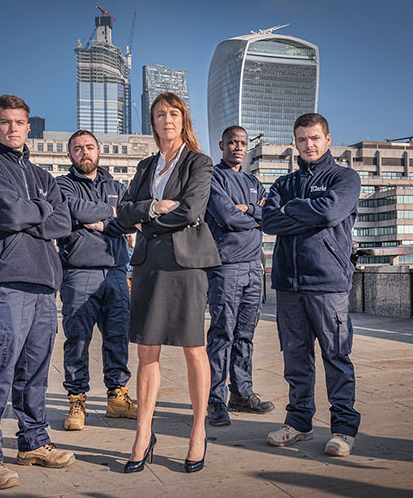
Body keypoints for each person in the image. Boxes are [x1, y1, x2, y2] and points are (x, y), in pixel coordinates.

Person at [0, 94, 74, 490]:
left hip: (46, 285)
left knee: (35, 372)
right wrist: (41, 210)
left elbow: (62, 221)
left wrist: (37, 210)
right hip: (8, 281)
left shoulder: (44, 176)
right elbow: (8, 215)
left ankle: (32, 442)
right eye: (5, 121)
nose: (13, 128)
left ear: (29, 127)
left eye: (19, 122)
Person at [117, 92, 221, 473]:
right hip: (148, 264)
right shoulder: (145, 167)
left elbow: (193, 209)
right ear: (153, 122)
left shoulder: (199, 162)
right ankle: (144, 432)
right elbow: (124, 211)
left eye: (173, 113)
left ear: (183, 120)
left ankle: (198, 430)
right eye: (159, 114)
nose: (167, 120)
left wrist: (149, 222)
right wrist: (153, 208)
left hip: (185, 265)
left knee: (194, 348)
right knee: (147, 351)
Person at [262, 113, 361, 456]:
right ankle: (300, 423)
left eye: (315, 138)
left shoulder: (345, 178)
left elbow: (331, 213)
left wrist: (293, 211)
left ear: (328, 139)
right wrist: (304, 213)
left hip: (328, 284)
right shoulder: (283, 183)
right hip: (288, 284)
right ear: (295, 143)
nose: (309, 145)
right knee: (295, 358)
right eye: (302, 139)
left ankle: (344, 429)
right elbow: (268, 220)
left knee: (336, 356)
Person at [56, 130, 137, 431]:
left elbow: (127, 219)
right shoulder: (62, 185)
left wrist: (99, 222)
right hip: (79, 272)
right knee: (77, 338)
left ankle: (117, 396)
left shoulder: (116, 185)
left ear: (99, 151)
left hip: (116, 271)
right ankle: (77, 399)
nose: (84, 153)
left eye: (89, 147)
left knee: (118, 336)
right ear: (70, 155)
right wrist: (111, 215)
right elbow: (74, 210)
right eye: (77, 149)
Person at [205, 126, 274, 427]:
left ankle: (241, 393)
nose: (238, 147)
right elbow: (226, 217)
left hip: (253, 267)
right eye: (232, 142)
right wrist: (251, 215)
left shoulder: (253, 181)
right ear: (222, 145)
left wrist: (249, 211)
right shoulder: (213, 178)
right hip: (226, 266)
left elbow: (271, 215)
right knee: (223, 333)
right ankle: (215, 401)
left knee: (245, 335)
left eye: (243, 143)